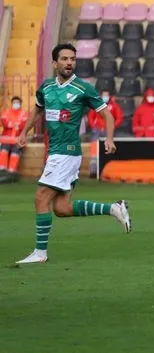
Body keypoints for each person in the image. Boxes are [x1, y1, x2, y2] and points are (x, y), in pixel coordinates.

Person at [14, 43, 133, 265]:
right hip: (55, 152)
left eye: (72, 59)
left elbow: (107, 115)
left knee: (41, 197)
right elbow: (37, 110)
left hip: (67, 153)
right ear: (54, 63)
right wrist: (24, 132)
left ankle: (40, 253)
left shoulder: (82, 88)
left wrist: (109, 138)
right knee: (62, 208)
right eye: (65, 59)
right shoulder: (46, 87)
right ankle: (113, 209)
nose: (69, 63)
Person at [0, 96, 29, 177]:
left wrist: (12, 124)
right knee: (4, 151)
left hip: (18, 140)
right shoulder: (6, 112)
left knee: (15, 153)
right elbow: (4, 122)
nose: (16, 104)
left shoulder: (24, 113)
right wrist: (15, 124)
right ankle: (2, 170)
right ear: (12, 103)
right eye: (14, 102)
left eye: (17, 103)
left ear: (20, 104)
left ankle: (11, 171)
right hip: (6, 139)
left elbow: (24, 124)